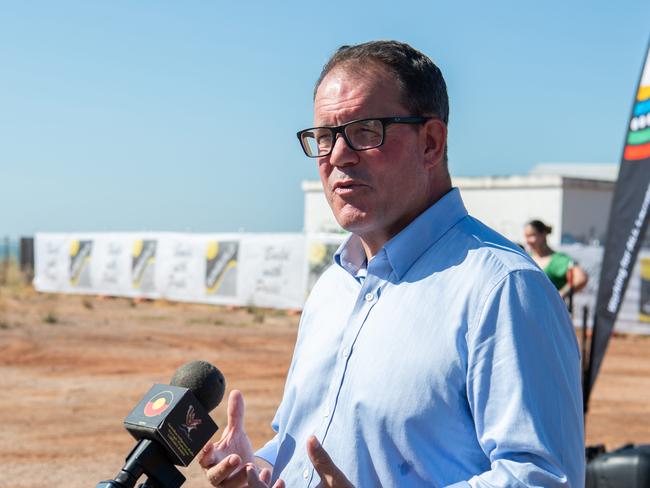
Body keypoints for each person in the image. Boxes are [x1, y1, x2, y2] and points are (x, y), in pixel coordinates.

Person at [199, 40, 584, 487]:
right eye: (324, 137)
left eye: (365, 131)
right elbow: (316, 446)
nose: (338, 156)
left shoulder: (502, 289)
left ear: (431, 143)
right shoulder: (334, 287)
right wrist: (261, 466)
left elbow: (542, 477)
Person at [524, 219, 589, 299]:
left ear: (543, 234)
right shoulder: (526, 258)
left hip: (550, 310)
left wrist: (561, 294)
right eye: (526, 236)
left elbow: (581, 278)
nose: (528, 241)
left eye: (531, 235)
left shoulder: (558, 259)